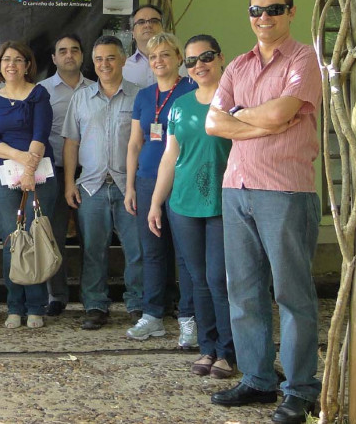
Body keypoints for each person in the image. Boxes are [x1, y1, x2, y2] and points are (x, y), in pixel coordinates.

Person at [206, 0, 322, 424]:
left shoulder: (303, 58)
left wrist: (249, 116)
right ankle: (258, 379)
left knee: (292, 294)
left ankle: (300, 390)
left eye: (274, 9)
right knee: (244, 292)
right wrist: (264, 122)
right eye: (256, 9)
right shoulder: (236, 65)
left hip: (285, 191)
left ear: (290, 12)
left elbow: (279, 113)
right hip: (236, 189)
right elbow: (215, 123)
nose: (263, 17)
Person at [147, 35, 235, 379]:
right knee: (197, 279)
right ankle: (207, 348)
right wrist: (156, 202)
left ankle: (228, 351)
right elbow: (171, 156)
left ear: (220, 57)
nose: (199, 65)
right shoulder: (180, 105)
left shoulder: (236, 101)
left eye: (206, 57)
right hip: (183, 204)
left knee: (218, 279)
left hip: (223, 203)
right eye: (192, 61)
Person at [62, 36, 143, 331]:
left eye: (110, 58)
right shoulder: (81, 98)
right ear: (92, 63)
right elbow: (71, 142)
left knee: (137, 250)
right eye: (98, 59)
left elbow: (145, 142)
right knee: (93, 250)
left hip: (128, 185)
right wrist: (69, 182)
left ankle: (138, 304)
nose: (104, 64)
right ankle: (95, 305)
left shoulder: (140, 96)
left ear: (123, 60)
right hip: (91, 186)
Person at [124, 32, 198, 347]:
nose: (159, 61)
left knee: (185, 253)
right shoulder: (144, 96)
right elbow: (134, 143)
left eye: (166, 55)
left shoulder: (192, 90)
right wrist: (130, 185)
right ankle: (153, 315)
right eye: (154, 57)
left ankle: (188, 318)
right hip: (146, 179)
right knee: (152, 251)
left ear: (179, 58)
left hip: (183, 180)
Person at [0, 41, 56, 330]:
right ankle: (14, 306)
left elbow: (41, 133)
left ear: (27, 65)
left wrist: (30, 168)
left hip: (39, 175)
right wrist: (19, 157)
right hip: (4, 175)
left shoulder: (39, 94)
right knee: (11, 239)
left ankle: (36, 306)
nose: (11, 64)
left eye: (17, 60)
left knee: (34, 235)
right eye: (5, 60)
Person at [37, 34, 92, 316]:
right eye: (62, 51)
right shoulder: (41, 91)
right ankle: (57, 295)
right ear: (54, 58)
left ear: (82, 56)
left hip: (91, 172)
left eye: (74, 50)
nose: (69, 55)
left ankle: (92, 297)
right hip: (53, 171)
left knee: (91, 236)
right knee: (54, 236)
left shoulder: (97, 89)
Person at [124, 4, 187, 87]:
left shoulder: (181, 63)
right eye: (141, 22)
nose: (147, 25)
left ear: (163, 28)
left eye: (154, 21)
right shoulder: (123, 68)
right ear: (133, 33)